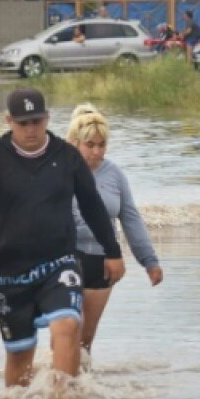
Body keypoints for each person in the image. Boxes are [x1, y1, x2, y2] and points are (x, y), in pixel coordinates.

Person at [0, 87, 126, 387]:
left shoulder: (67, 156)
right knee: (20, 360)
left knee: (68, 325)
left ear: (47, 118)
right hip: (9, 272)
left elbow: (92, 206)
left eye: (37, 121)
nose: (31, 129)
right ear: (9, 121)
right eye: (23, 123)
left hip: (58, 263)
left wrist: (112, 251)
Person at [65, 104, 164, 356]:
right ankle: (54, 387)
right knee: (66, 333)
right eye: (90, 145)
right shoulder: (59, 171)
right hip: (65, 259)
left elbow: (130, 218)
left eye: (102, 145)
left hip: (102, 261)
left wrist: (149, 260)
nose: (97, 152)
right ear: (75, 142)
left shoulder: (114, 175)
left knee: (85, 339)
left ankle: (81, 390)